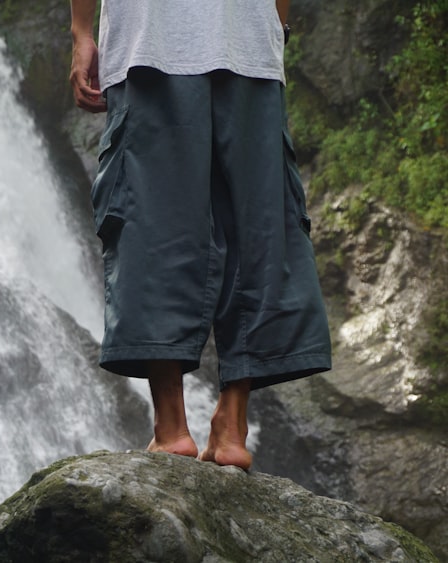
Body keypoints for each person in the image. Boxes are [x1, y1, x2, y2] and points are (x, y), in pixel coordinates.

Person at [69, 0, 332, 470]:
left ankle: (171, 429)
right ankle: (232, 427)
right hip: (248, 38)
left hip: (149, 38)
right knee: (259, 225)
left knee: (153, 225)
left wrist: (82, 32)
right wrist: (276, 27)